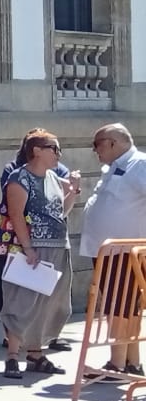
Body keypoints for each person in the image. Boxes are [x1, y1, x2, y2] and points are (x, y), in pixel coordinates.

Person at [0, 129, 79, 379]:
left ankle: (35, 354)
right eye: (54, 148)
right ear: (36, 151)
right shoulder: (19, 178)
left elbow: (60, 212)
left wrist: (73, 192)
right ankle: (12, 356)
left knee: (51, 304)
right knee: (23, 303)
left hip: (58, 246)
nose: (59, 154)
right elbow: (16, 214)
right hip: (33, 249)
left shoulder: (54, 177)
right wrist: (28, 248)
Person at [81, 123, 146, 375]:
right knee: (124, 306)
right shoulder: (114, 167)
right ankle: (131, 362)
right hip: (110, 251)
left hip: (126, 250)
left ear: (113, 143)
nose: (94, 150)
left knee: (120, 306)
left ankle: (117, 365)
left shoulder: (138, 164)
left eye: (97, 144)